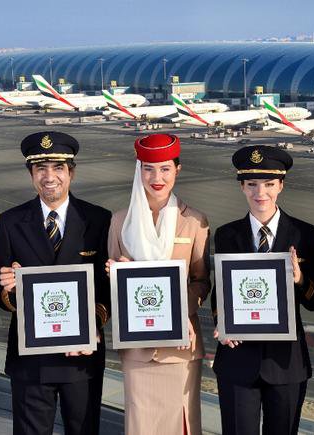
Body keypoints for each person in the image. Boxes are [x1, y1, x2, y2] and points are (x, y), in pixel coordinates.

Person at [0, 131, 111, 435]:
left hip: (81, 356)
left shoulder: (98, 220)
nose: (49, 177)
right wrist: (9, 289)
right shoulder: (10, 221)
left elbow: (106, 289)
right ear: (31, 174)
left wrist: (93, 326)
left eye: (58, 168)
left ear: (71, 172)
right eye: (40, 168)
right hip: (31, 358)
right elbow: (0, 293)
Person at [211, 145, 314, 435]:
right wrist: (221, 323)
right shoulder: (227, 234)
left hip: (286, 363)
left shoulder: (304, 233)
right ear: (242, 187)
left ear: (281, 185)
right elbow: (219, 292)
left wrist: (299, 279)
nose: (260, 193)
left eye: (269, 184)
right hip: (237, 358)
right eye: (252, 184)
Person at [107, 133, 211, 435]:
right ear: (138, 171)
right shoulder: (120, 221)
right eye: (148, 169)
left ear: (177, 170)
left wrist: (181, 311)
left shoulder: (195, 221)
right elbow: (113, 289)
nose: (157, 178)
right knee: (140, 426)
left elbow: (202, 282)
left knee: (181, 424)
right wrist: (116, 275)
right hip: (137, 348)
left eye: (165, 169)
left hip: (180, 348)